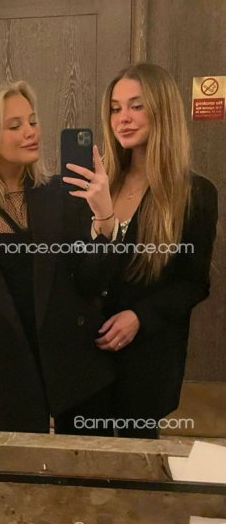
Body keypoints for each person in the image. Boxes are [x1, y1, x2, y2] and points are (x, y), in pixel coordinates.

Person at [0, 80, 115, 434]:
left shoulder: (63, 196)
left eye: (33, 121)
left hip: (76, 374)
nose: (31, 132)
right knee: (22, 468)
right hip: (7, 380)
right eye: (15, 125)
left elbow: (92, 282)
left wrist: (103, 220)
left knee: (86, 466)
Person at [63, 63, 218, 438]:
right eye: (115, 108)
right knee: (82, 462)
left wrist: (140, 317)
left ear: (162, 110)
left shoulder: (194, 195)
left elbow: (193, 283)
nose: (123, 118)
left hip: (146, 361)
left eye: (136, 106)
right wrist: (103, 217)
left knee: (137, 462)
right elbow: (79, 277)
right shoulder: (96, 186)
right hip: (85, 361)